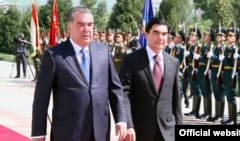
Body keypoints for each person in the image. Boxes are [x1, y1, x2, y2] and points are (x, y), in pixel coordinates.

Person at [31, 6, 127, 141]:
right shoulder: (54, 55)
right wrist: (38, 133)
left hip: (99, 129)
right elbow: (41, 98)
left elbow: (115, 89)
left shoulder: (103, 51)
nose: (87, 29)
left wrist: (121, 120)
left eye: (90, 24)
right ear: (69, 28)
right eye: (81, 24)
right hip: (68, 130)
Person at [120, 17, 183, 141]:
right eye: (156, 32)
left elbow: (176, 99)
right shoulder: (132, 60)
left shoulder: (173, 62)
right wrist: (128, 124)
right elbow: (124, 94)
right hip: (140, 129)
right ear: (146, 34)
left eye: (164, 34)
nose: (161, 37)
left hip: (167, 130)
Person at [194, 27, 214, 121]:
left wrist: (199, 58)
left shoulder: (210, 46)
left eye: (206, 35)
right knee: (203, 91)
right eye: (204, 34)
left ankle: (208, 113)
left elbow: (207, 59)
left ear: (210, 37)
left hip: (206, 69)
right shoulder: (203, 46)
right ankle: (205, 112)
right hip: (201, 69)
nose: (204, 36)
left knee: (207, 91)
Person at [208, 27, 227, 123]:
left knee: (220, 93)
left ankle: (221, 115)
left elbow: (221, 60)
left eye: (220, 36)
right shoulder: (217, 47)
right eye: (217, 35)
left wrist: (213, 56)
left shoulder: (223, 48)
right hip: (215, 70)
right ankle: (216, 114)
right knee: (215, 93)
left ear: (224, 37)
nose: (218, 37)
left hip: (220, 72)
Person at [184, 27, 202, 118]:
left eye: (193, 35)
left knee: (197, 89)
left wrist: (190, 55)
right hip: (191, 68)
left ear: (197, 37)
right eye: (190, 35)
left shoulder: (198, 46)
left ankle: (197, 111)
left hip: (196, 69)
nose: (190, 36)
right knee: (193, 89)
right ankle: (194, 110)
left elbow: (199, 58)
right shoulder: (191, 46)